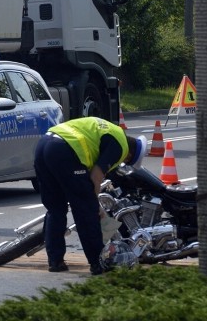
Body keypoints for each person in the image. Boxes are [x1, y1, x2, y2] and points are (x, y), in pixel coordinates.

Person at [33, 117, 147, 274]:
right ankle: (97, 263)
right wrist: (95, 206)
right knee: (86, 211)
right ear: (129, 156)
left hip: (44, 144)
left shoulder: (110, 130)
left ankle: (55, 261)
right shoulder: (120, 146)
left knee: (55, 209)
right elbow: (95, 176)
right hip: (64, 150)